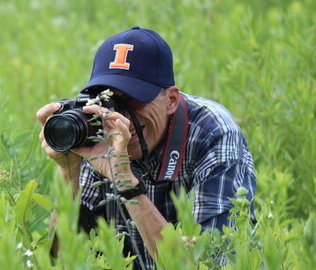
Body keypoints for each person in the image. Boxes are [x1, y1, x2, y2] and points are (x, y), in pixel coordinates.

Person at [36, 26, 256, 269]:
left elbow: (211, 264)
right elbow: (63, 262)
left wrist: (126, 182)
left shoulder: (211, 133)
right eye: (108, 100)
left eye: (134, 99)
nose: (120, 117)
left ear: (171, 100)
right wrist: (69, 173)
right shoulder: (97, 129)